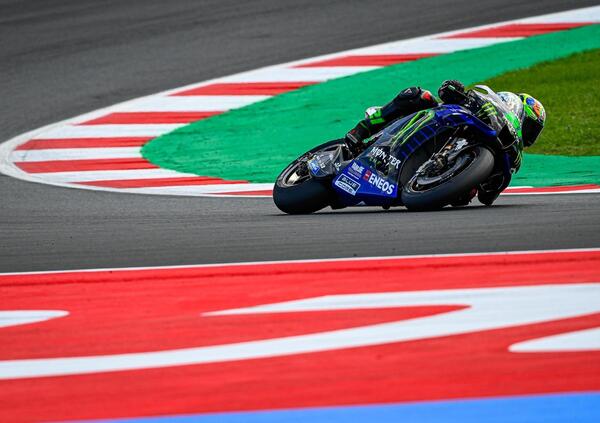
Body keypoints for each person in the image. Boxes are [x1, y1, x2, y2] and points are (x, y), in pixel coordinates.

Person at [344, 80, 546, 205]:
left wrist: (485, 182)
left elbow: (487, 197)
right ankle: (360, 131)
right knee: (419, 95)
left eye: (532, 131)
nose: (528, 132)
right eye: (529, 126)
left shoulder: (511, 157)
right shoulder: (479, 105)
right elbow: (446, 92)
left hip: (430, 192)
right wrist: (453, 90)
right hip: (427, 126)